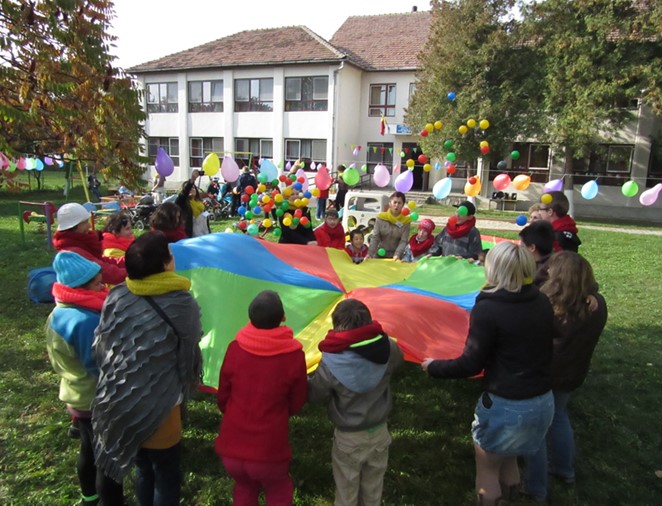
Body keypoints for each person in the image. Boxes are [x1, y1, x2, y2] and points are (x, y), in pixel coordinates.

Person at [421, 242, 555, 506]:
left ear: (495, 270)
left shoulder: (489, 309)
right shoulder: (541, 301)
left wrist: (434, 366)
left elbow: (471, 363)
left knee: (488, 470)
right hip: (542, 401)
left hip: (507, 405)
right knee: (510, 460)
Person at [92, 231, 202, 506]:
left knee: (143, 467)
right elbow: (189, 348)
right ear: (165, 265)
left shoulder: (117, 295)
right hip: (160, 404)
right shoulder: (181, 302)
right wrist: (188, 382)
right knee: (165, 472)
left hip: (119, 399)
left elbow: (102, 344)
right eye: (171, 254)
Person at [522, 252, 608, 502]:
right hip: (572, 374)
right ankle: (564, 470)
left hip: (544, 374)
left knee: (535, 430)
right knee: (559, 417)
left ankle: (535, 487)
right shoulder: (596, 305)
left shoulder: (548, 306)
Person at [215, 290, 307, 505]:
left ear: (250, 318)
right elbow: (297, 400)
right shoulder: (293, 356)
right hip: (269, 451)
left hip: (231, 448)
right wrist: (282, 412)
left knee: (245, 487)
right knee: (278, 489)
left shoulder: (235, 348)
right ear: (283, 317)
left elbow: (223, 395)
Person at [308, 299, 403, 506]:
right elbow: (398, 362)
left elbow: (316, 395)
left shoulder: (331, 362)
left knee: (346, 495)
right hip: (379, 433)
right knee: (373, 493)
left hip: (348, 439)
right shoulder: (387, 347)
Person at [46, 252, 108, 506]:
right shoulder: (84, 320)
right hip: (94, 396)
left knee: (88, 447)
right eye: (97, 284)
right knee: (104, 457)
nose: (103, 286)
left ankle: (89, 497)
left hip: (75, 392)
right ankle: (106, 498)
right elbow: (97, 364)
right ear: (80, 287)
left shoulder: (59, 313)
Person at [53, 203, 127, 285]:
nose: (89, 225)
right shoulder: (74, 252)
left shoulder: (78, 244)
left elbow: (102, 261)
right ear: (74, 226)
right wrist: (137, 271)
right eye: (84, 222)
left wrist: (133, 259)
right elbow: (106, 272)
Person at [367, 191, 411, 260]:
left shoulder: (406, 222)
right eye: (395, 202)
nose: (396, 205)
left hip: (395, 257)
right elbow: (375, 237)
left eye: (399, 203)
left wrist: (397, 255)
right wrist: (370, 254)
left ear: (403, 205)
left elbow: (403, 241)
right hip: (379, 254)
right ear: (390, 203)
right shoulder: (380, 218)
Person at [519, 220, 555, 285]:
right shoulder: (555, 259)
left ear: (532, 248)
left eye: (522, 246)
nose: (520, 250)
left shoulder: (542, 275)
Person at [175, 170, 210, 238]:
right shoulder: (182, 202)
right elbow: (184, 193)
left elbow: (205, 219)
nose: (191, 189)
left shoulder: (200, 202)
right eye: (189, 188)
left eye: (193, 187)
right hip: (189, 234)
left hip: (203, 232)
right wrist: (192, 180)